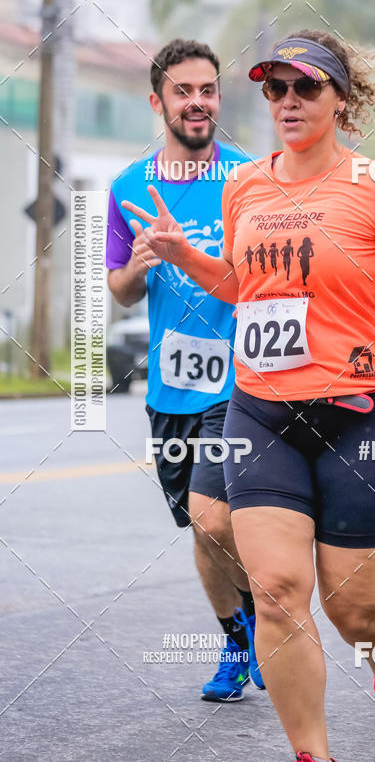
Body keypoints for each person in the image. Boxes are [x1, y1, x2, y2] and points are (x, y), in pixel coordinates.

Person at [122, 29, 375, 762]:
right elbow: (244, 286)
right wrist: (189, 258)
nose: (286, 100)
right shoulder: (245, 184)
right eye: (274, 87)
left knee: (354, 611)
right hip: (259, 413)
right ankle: (313, 754)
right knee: (279, 593)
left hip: (362, 415)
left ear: (341, 101)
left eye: (304, 86)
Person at [106, 38, 264, 702]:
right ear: (157, 101)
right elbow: (116, 289)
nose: (197, 102)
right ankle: (240, 633)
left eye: (207, 90)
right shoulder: (127, 188)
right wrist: (141, 266)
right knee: (199, 527)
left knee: (215, 519)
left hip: (242, 383)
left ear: (218, 99)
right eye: (183, 91)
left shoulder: (252, 178)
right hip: (172, 385)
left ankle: (263, 622)